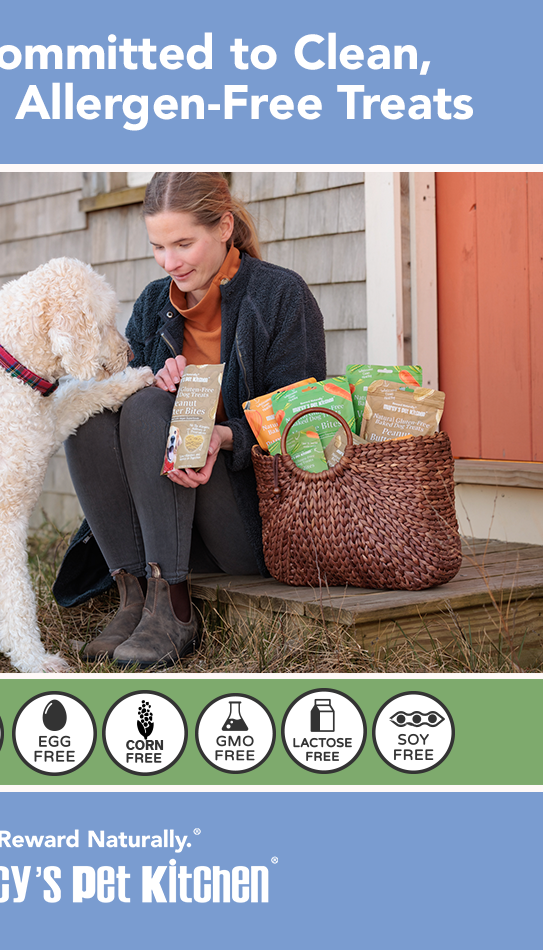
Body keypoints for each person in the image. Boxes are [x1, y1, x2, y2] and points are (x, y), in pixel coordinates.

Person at [52, 172, 327, 668]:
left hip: (247, 524)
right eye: (158, 246)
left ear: (224, 227)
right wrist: (153, 378)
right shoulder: (158, 302)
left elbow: (304, 425)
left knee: (150, 408)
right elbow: (119, 409)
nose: (170, 261)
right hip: (163, 518)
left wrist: (224, 436)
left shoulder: (280, 297)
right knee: (93, 409)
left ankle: (175, 608)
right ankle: (136, 597)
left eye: (183, 243)